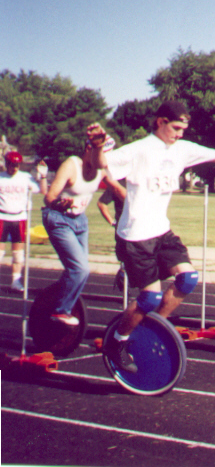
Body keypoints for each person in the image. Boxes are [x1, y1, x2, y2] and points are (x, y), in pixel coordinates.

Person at [97, 100, 215, 373]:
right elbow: (98, 166)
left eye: (183, 129)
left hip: (161, 231)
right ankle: (118, 341)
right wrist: (93, 149)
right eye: (175, 128)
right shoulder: (137, 150)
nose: (179, 134)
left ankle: (151, 327)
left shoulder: (183, 150)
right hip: (135, 237)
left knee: (188, 279)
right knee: (149, 297)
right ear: (160, 122)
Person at [42, 124, 121, 325]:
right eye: (102, 154)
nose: (104, 162)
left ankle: (54, 302)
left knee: (78, 271)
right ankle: (60, 311)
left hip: (80, 221)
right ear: (89, 149)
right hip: (59, 219)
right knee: (80, 269)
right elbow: (49, 197)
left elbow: (120, 190)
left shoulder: (102, 170)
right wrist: (59, 203)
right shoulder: (71, 165)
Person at [0, 152, 49, 292]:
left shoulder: (25, 177)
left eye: (17, 165)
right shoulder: (1, 178)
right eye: (12, 165)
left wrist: (43, 176)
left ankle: (16, 281)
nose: (14, 168)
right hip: (2, 217)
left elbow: (43, 191)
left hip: (19, 218)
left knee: (18, 254)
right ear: (6, 164)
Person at [96, 179, 127, 290]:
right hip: (123, 230)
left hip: (141, 228)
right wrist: (112, 221)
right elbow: (102, 203)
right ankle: (123, 281)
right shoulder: (118, 184)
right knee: (126, 261)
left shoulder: (143, 181)